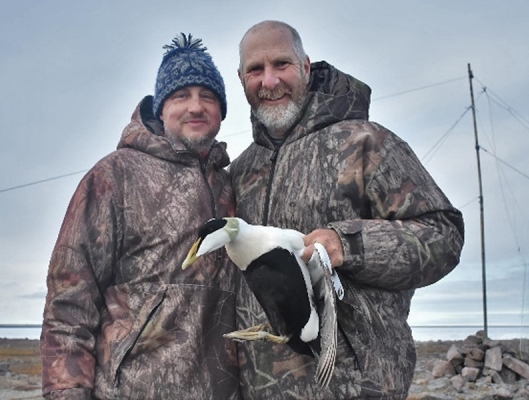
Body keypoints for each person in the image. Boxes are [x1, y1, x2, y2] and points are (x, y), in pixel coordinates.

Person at [229, 20, 465, 399]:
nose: (269, 81)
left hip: (356, 387)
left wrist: (351, 243)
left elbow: (444, 235)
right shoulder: (240, 172)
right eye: (256, 70)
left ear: (306, 66)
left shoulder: (366, 142)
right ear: (241, 79)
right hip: (261, 389)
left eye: (281, 64)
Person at [40, 33, 239, 399]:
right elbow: (69, 308)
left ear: (222, 112)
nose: (195, 106)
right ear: (161, 109)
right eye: (181, 95)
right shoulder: (114, 177)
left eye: (207, 96)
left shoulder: (233, 188)